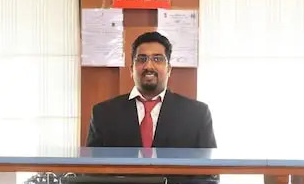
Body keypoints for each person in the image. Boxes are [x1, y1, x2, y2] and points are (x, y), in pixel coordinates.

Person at [86, 31, 216, 149]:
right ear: (131, 70)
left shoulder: (197, 114)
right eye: (142, 59)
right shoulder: (103, 114)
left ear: (169, 69)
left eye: (157, 59)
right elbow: (92, 166)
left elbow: (209, 167)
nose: (149, 66)